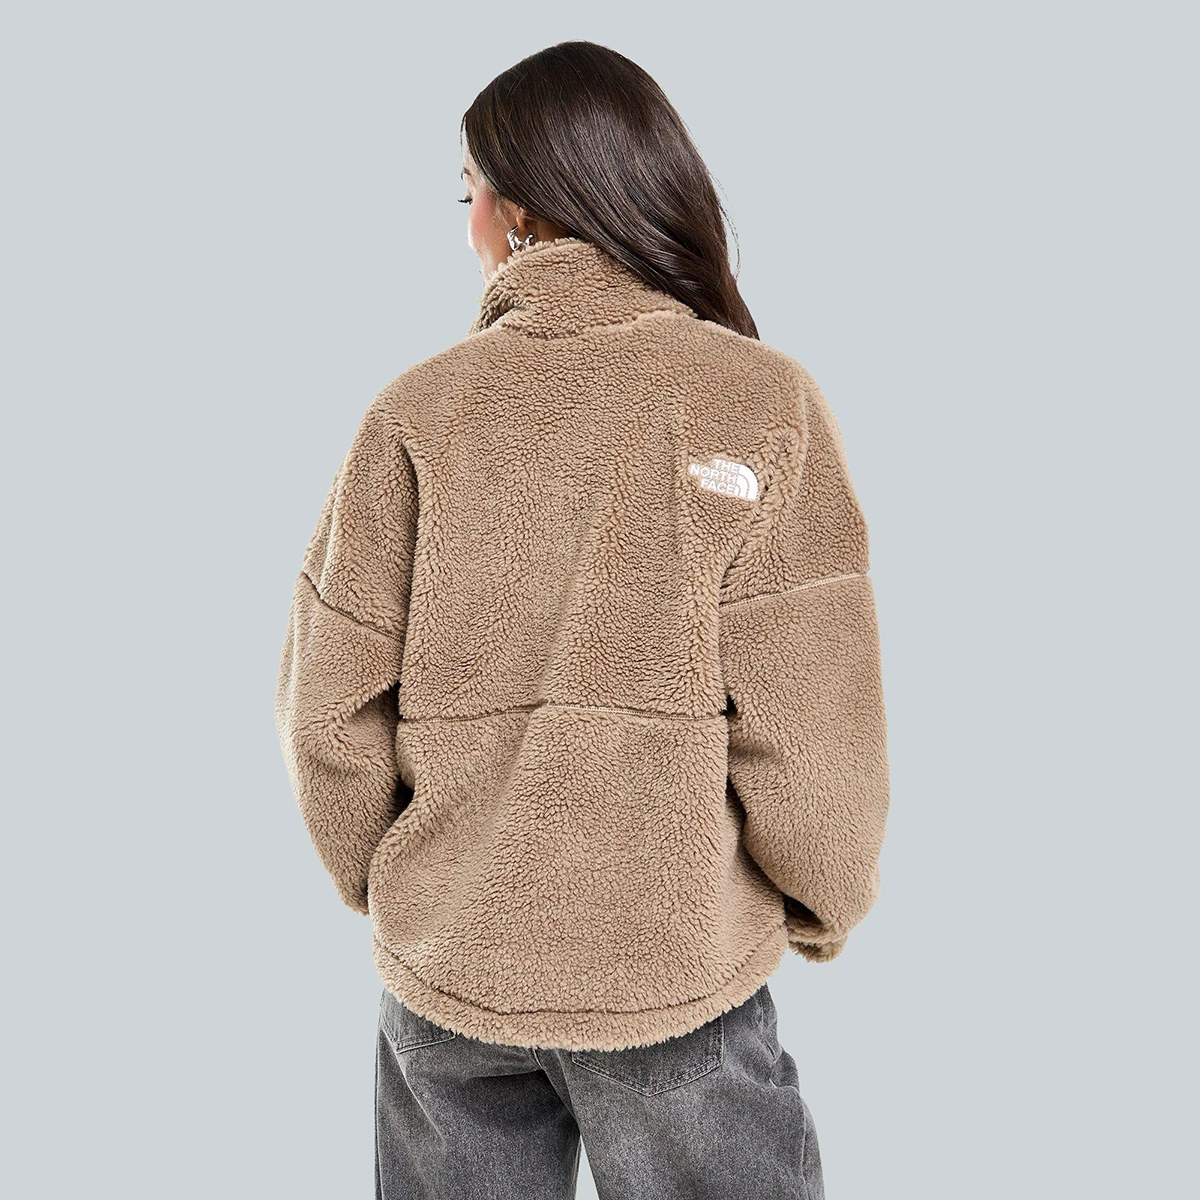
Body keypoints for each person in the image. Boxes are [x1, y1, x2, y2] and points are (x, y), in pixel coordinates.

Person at [275, 39, 891, 1200]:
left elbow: (328, 707)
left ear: (519, 210)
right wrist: (824, 895)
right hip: (670, 971)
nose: (467, 223)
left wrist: (405, 884)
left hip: (450, 976)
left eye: (469, 193)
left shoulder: (415, 414)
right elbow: (816, 722)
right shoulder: (761, 399)